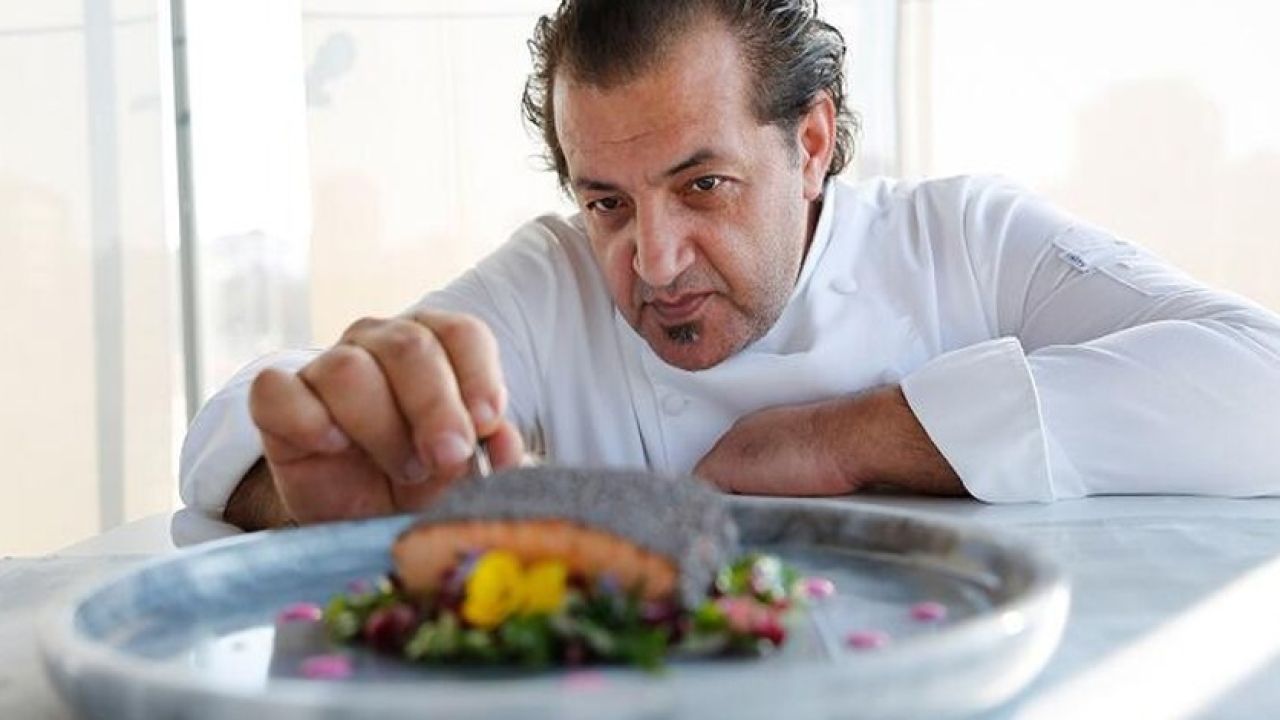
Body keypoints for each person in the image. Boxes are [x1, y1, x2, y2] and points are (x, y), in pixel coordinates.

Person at [181, 0, 1280, 531]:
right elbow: (252, 425)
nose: (653, 263)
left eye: (702, 185)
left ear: (811, 143)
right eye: (606, 202)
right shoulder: (551, 285)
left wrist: (848, 439)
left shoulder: (964, 241)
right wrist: (321, 486)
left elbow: (1258, 379)